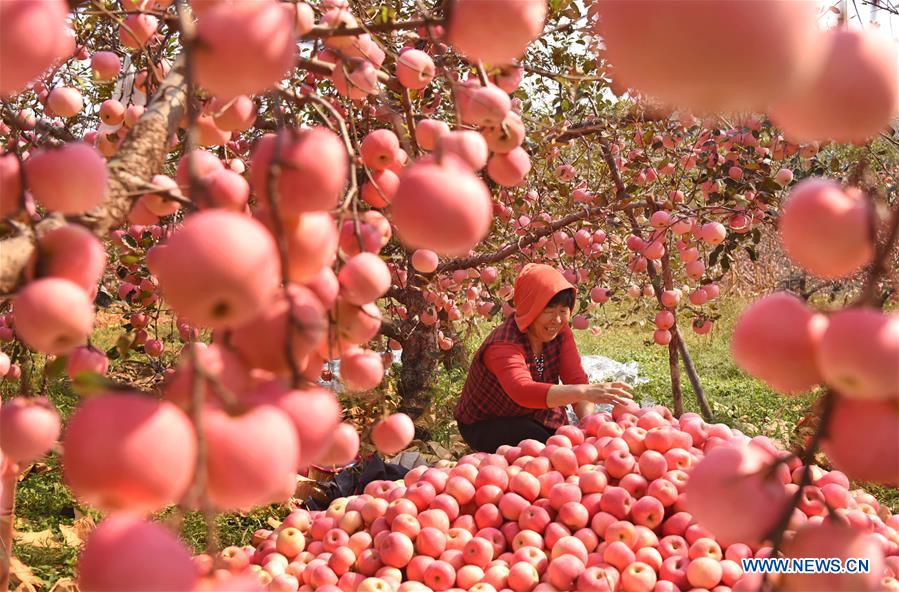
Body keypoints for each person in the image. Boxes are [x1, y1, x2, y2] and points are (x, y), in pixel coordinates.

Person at [453, 263, 633, 452]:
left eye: (563, 311)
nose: (556, 320)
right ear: (531, 308)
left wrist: (590, 427)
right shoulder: (503, 345)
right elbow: (522, 390)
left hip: (536, 412)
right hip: (488, 421)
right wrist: (584, 392)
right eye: (549, 311)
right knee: (547, 448)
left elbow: (577, 379)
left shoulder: (561, 333)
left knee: (568, 442)